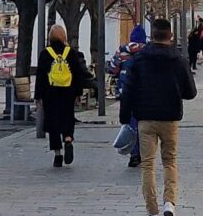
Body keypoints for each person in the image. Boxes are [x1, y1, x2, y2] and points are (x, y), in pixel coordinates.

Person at [119, 18, 197, 216]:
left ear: (151, 36)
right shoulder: (178, 59)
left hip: (145, 119)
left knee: (148, 165)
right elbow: (191, 92)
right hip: (170, 118)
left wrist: (125, 118)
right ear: (170, 36)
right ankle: (170, 203)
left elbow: (128, 91)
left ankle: (152, 214)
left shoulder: (139, 59)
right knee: (169, 162)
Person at [35, 24, 98, 167]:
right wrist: (78, 92)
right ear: (64, 36)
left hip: (50, 93)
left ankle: (57, 155)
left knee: (53, 123)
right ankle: (68, 138)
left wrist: (38, 96)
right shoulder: (71, 53)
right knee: (67, 118)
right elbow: (77, 75)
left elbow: (40, 76)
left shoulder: (45, 53)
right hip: (67, 92)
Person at [108, 26, 148, 167]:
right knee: (142, 123)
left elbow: (112, 69)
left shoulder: (122, 51)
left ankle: (133, 153)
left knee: (130, 122)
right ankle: (141, 152)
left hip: (125, 91)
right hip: (143, 92)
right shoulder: (146, 51)